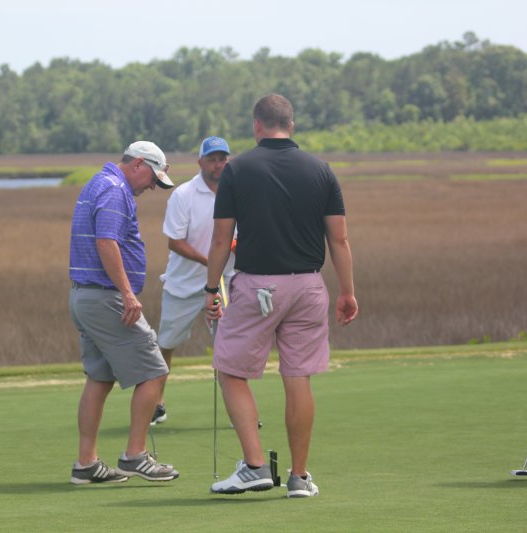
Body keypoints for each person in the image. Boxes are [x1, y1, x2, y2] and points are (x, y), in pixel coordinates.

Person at [204, 93, 358, 498]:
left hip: (256, 285)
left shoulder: (237, 169)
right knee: (297, 376)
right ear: (291, 125)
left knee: (231, 369)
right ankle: (299, 478)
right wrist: (347, 292)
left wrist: (211, 288)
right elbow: (339, 240)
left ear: (257, 125)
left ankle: (255, 466)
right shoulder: (321, 170)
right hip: (308, 285)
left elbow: (221, 239)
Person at [68, 141, 180, 485]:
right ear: (138, 164)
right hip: (107, 299)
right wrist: (128, 294)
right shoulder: (116, 189)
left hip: (86, 297)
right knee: (155, 371)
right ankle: (135, 455)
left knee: (100, 378)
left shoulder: (98, 182)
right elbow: (106, 241)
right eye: (153, 179)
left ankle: (86, 464)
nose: (152, 187)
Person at [152, 136, 236, 425]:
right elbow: (175, 242)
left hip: (224, 283)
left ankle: (238, 412)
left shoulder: (238, 192)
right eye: (212, 159)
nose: (218, 164)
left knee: (228, 347)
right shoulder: (183, 194)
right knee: (166, 344)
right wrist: (210, 261)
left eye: (223, 159)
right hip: (183, 284)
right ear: (200, 162)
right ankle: (157, 403)